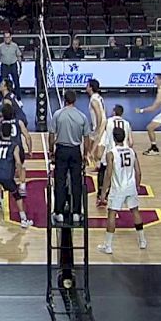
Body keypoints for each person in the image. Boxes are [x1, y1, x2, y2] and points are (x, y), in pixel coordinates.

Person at [97, 127, 145, 254]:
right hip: (130, 186)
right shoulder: (132, 151)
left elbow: (108, 174)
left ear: (113, 138)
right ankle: (142, 241)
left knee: (112, 213)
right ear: (124, 137)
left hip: (118, 188)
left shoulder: (111, 154)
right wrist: (138, 185)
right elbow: (138, 172)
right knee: (135, 211)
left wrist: (103, 193)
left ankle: (108, 246)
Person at [48, 90, 92, 224]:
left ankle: (59, 212)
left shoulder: (57, 114)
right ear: (75, 100)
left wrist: (51, 151)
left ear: (64, 100)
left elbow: (51, 135)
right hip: (75, 151)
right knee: (76, 182)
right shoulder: (82, 116)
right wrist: (85, 154)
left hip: (61, 150)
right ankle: (77, 213)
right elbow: (86, 138)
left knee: (60, 182)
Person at [95, 105, 133, 208]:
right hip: (123, 152)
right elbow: (131, 142)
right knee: (116, 174)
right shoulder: (127, 123)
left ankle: (101, 195)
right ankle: (114, 194)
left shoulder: (108, 121)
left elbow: (100, 136)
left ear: (114, 112)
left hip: (110, 150)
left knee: (103, 172)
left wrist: (96, 150)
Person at [0, 32, 23, 98]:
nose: (7, 39)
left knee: (16, 82)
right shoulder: (0, 46)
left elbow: (19, 56)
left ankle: (18, 99)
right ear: (4, 38)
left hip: (13, 65)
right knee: (2, 83)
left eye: (8, 37)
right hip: (4, 66)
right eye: (5, 37)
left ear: (11, 38)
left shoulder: (15, 45)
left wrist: (20, 66)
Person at [86, 78, 106, 155]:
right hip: (102, 124)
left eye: (87, 85)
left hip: (99, 125)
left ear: (91, 88)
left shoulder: (93, 100)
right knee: (91, 144)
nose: (86, 87)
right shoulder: (99, 97)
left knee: (97, 151)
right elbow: (104, 112)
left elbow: (99, 114)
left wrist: (97, 128)